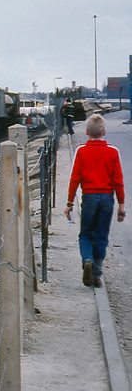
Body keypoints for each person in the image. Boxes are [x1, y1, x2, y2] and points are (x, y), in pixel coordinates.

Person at [64, 114, 125, 287]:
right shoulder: (113, 152)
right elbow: (118, 181)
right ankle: (97, 274)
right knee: (101, 236)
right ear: (104, 131)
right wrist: (121, 205)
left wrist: (69, 203)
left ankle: (87, 260)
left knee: (85, 234)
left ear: (86, 132)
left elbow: (74, 179)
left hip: (89, 198)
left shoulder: (81, 151)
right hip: (107, 199)